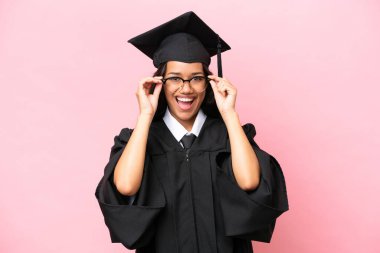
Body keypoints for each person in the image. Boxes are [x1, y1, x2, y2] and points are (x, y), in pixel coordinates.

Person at [95, 11, 289, 253]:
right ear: (160, 83)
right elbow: (125, 187)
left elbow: (250, 182)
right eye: (175, 78)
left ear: (208, 83)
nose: (186, 89)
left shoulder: (228, 135)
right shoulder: (142, 139)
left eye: (196, 78)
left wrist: (229, 114)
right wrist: (145, 115)